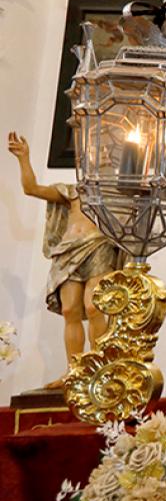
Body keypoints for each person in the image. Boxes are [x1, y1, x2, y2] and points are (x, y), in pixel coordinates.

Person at [6, 131, 126, 387]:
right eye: (96, 154)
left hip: (98, 247)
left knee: (94, 306)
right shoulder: (72, 192)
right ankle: (75, 371)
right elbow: (31, 189)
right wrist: (23, 158)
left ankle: (99, 368)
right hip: (68, 252)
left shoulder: (117, 196)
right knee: (70, 310)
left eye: (107, 154)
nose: (101, 158)